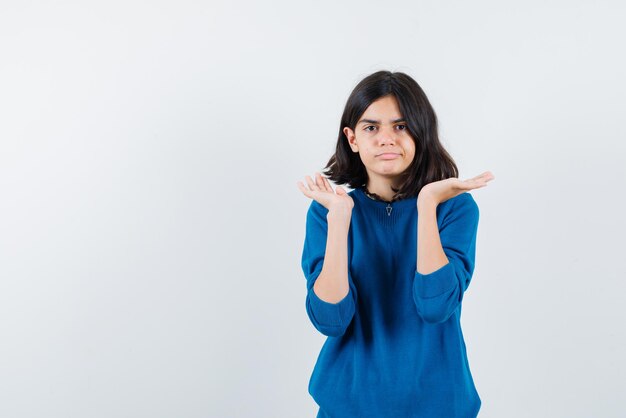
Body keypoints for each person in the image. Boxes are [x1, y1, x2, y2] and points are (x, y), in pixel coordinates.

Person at [296, 70, 495, 418]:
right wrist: (341, 218)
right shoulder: (328, 212)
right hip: (348, 407)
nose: (387, 139)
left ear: (421, 133)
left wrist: (427, 204)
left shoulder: (454, 208)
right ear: (352, 138)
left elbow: (435, 306)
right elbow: (330, 320)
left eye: (401, 126)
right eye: (371, 127)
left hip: (439, 406)